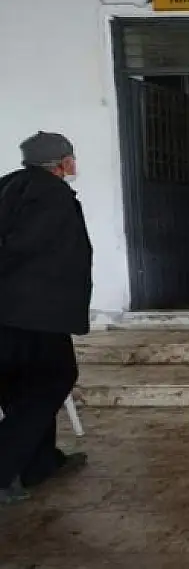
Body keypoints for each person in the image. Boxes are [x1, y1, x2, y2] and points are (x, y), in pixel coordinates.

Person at [0, 132, 91, 505]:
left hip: (10, 313)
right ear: (61, 162)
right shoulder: (52, 197)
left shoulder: (8, 186)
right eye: (70, 156)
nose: (73, 162)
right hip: (35, 312)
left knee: (21, 386)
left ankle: (39, 463)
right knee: (55, 378)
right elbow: (26, 250)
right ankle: (5, 468)